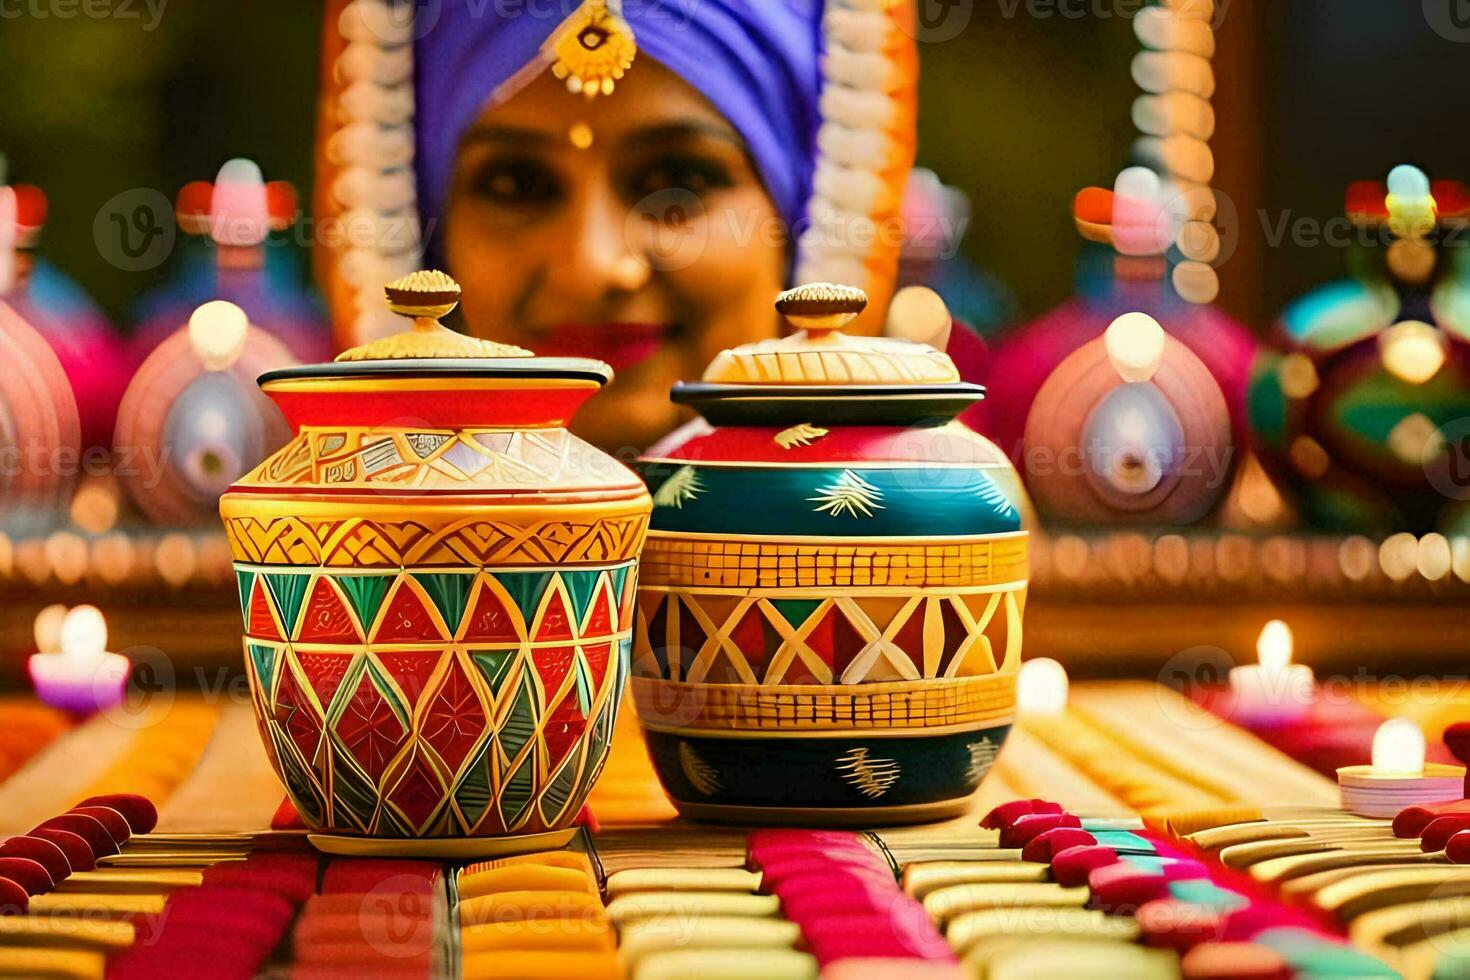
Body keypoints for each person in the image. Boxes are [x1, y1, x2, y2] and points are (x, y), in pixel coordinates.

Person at [314, 0, 919, 453]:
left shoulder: (943, 530)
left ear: (804, 220)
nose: (593, 265)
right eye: (516, 185)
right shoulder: (291, 544)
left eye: (678, 178)